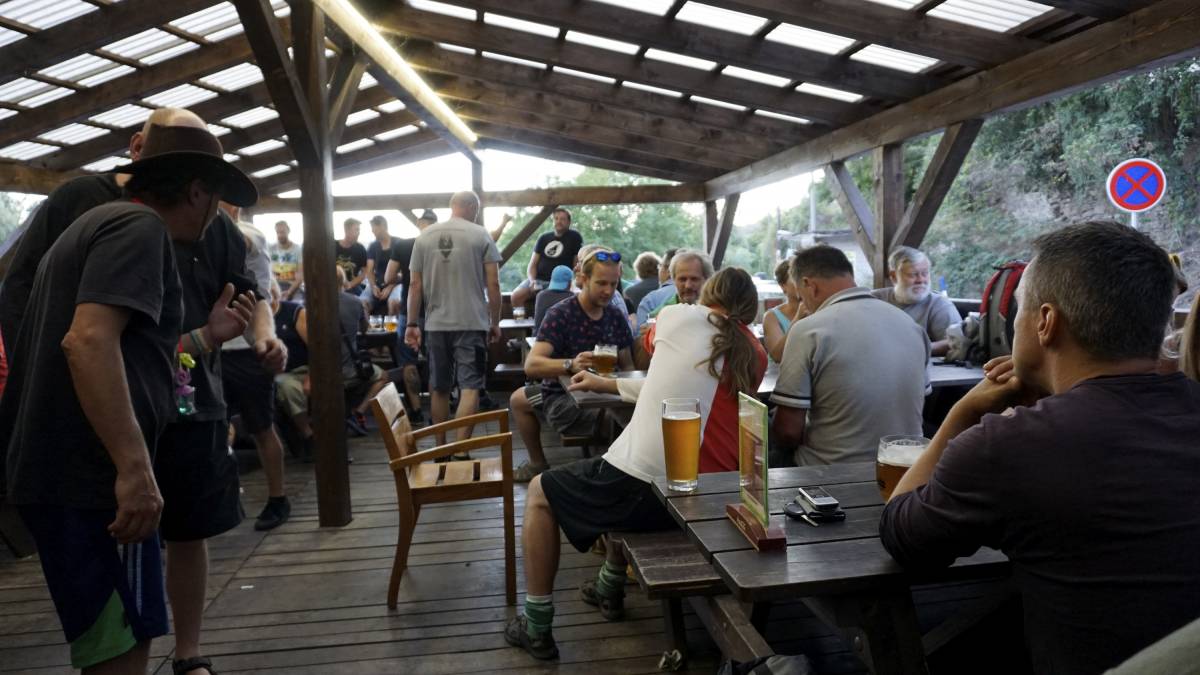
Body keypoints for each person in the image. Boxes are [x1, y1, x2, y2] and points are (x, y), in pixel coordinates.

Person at [879, 221, 1200, 675]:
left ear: (1046, 322)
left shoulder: (1008, 445)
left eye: (1019, 310)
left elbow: (901, 534)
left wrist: (964, 413)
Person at [0, 122, 257, 675]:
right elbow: (87, 343)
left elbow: (124, 349)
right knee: (118, 650)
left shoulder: (104, 223)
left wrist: (205, 337)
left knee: (120, 640)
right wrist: (135, 470)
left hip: (69, 474)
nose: (216, 215)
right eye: (216, 199)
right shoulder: (138, 229)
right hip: (87, 478)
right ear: (196, 191)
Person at [504, 267, 768, 660]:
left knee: (547, 490)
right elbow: (670, 377)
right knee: (622, 463)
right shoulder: (755, 353)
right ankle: (608, 586)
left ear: (707, 292)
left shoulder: (675, 316)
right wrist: (607, 384)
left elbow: (650, 353)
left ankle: (536, 624)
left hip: (664, 490)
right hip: (721, 491)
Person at [772, 246, 929, 466]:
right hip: (905, 466)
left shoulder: (808, 330)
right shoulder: (911, 325)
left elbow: (788, 432)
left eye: (801, 297)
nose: (803, 305)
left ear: (809, 285)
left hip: (831, 470)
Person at [509, 247, 634, 482]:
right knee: (622, 422)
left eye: (613, 284)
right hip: (564, 399)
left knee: (632, 415)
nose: (608, 291)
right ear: (583, 279)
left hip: (606, 396)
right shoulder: (561, 314)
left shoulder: (615, 316)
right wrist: (571, 364)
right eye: (601, 283)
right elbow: (532, 365)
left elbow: (628, 367)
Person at [405, 192, 502, 446]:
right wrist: (495, 322)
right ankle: (460, 450)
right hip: (472, 323)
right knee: (470, 387)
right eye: (476, 209)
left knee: (439, 388)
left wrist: (412, 323)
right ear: (470, 207)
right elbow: (493, 284)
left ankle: (441, 448)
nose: (477, 215)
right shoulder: (481, 235)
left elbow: (415, 285)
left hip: (436, 324)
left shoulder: (424, 237)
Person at [218, 203, 291, 531]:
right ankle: (223, 493)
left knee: (261, 426)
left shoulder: (249, 235)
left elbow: (245, 241)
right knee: (215, 427)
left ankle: (278, 498)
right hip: (212, 347)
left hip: (249, 349)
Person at [275, 267, 389, 460]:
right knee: (384, 376)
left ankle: (311, 431)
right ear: (343, 282)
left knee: (289, 386)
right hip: (351, 370)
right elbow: (364, 329)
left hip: (324, 372)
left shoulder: (309, 305)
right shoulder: (356, 302)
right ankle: (359, 411)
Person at [871, 246, 959, 356]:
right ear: (894, 276)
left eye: (925, 273)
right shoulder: (875, 300)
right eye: (913, 274)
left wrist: (911, 350)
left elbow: (956, 342)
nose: (921, 280)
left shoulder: (939, 305)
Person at [633, 249, 714, 368]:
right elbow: (642, 366)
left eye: (694, 279)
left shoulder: (717, 313)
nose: (688, 285)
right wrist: (648, 339)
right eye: (682, 279)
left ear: (707, 279)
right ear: (673, 280)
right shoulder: (657, 314)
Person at [510, 208, 583, 311]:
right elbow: (532, 265)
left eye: (562, 219)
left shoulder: (574, 237)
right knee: (516, 296)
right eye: (556, 218)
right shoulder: (544, 238)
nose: (558, 221)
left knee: (550, 299)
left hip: (560, 282)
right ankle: (522, 320)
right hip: (539, 280)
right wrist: (532, 281)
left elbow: (576, 263)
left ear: (569, 222)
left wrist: (573, 283)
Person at [384, 208, 435, 321]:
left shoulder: (402, 245)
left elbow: (388, 278)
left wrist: (403, 276)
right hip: (437, 313)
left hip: (409, 311)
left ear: (419, 223)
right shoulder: (443, 248)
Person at [763, 257, 807, 363]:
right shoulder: (771, 317)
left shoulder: (819, 310)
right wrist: (797, 319)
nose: (803, 282)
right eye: (796, 278)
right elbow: (777, 356)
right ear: (783, 286)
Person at [362, 215, 404, 316]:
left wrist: (390, 286)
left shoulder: (399, 244)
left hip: (397, 283)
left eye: (374, 228)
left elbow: (405, 271)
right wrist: (373, 286)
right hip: (377, 283)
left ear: (383, 226)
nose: (372, 231)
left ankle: (392, 326)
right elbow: (369, 271)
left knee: (394, 302)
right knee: (362, 302)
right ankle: (366, 326)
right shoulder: (373, 246)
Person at [633, 247, 683, 329]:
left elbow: (643, 333)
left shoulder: (651, 300)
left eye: (660, 266)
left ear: (669, 270)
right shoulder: (701, 295)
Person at [532, 265, 575, 332]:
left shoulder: (541, 295)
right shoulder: (573, 298)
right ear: (569, 283)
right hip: (559, 337)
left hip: (537, 336)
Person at [269, 220, 304, 302]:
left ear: (288, 231)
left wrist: (289, 293)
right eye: (277, 232)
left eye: (282, 232)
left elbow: (300, 277)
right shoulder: (270, 248)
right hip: (275, 286)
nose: (280, 235)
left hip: (292, 287)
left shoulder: (297, 250)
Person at [335, 217, 369, 296]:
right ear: (347, 231)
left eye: (359, 230)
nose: (359, 233)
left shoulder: (360, 249)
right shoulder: (332, 246)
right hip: (333, 285)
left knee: (362, 301)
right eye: (356, 230)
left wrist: (351, 284)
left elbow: (365, 272)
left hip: (352, 287)